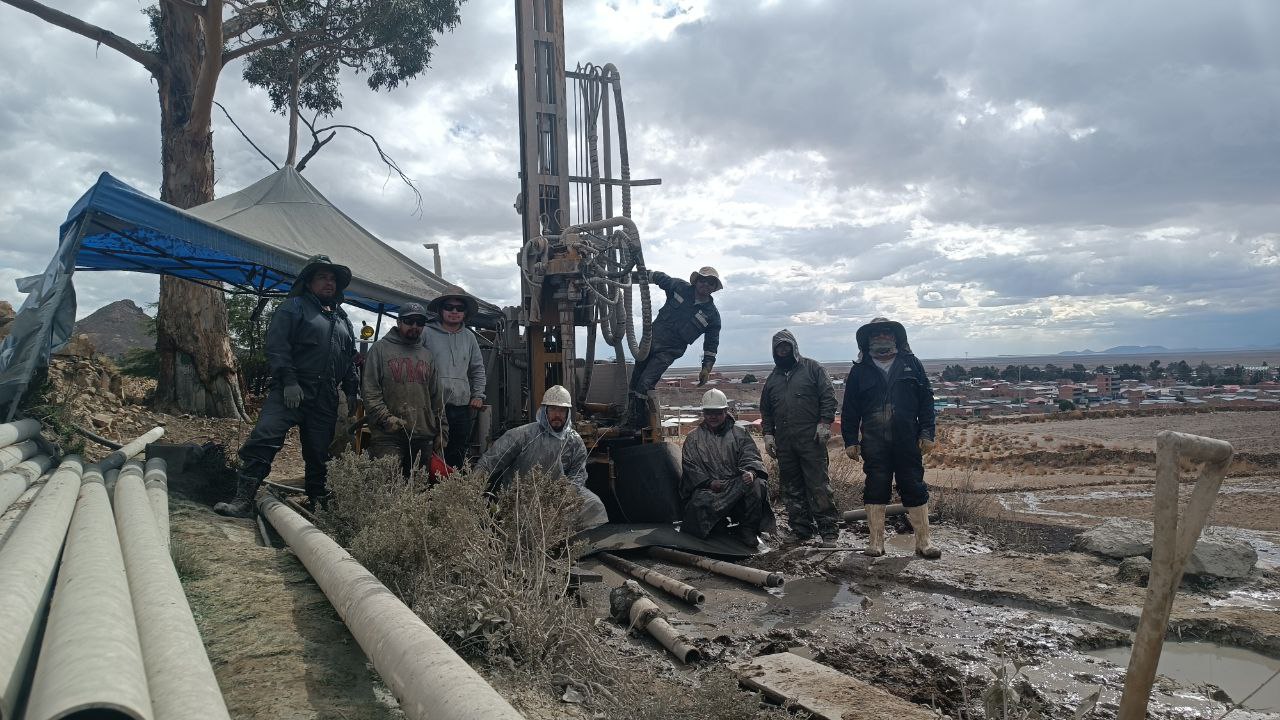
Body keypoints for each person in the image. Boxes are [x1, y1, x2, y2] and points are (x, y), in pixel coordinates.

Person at [215, 255, 358, 517]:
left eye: (332, 279)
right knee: (264, 439)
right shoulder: (293, 308)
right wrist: (290, 381)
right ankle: (243, 500)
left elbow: (349, 359)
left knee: (319, 454)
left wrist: (352, 390)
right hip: (290, 391)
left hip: (325, 396)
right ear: (308, 281)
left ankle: (319, 508)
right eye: (322, 277)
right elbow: (278, 347)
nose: (329, 283)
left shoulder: (342, 319)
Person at [841, 317, 940, 558]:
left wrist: (927, 433)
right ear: (868, 340)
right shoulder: (859, 371)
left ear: (896, 338)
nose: (882, 337)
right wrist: (851, 440)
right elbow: (850, 408)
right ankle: (876, 543)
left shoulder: (911, 364)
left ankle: (924, 542)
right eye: (877, 334)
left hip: (908, 439)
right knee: (875, 488)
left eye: (887, 333)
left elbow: (926, 401)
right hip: (874, 442)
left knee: (914, 486)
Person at [474, 385, 609, 531]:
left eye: (562, 410)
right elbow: (489, 462)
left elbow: (578, 475)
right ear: (544, 410)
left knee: (594, 504)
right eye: (552, 409)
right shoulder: (523, 435)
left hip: (555, 497)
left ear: (568, 413)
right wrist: (472, 487)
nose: (557, 414)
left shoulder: (574, 442)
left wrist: (566, 496)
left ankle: (571, 543)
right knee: (531, 524)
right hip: (521, 497)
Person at [760, 329, 840, 547]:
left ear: (794, 347)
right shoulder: (773, 379)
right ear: (774, 351)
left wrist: (824, 423)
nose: (783, 350)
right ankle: (801, 530)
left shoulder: (813, 368)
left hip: (811, 440)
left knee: (819, 487)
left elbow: (828, 397)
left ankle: (829, 532)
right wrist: (768, 434)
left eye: (786, 346)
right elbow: (766, 410)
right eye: (779, 348)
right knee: (792, 489)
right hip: (785, 444)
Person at [625, 266, 723, 428]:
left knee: (645, 383)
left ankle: (636, 424)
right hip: (650, 343)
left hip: (668, 352)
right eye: (703, 280)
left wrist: (706, 367)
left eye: (710, 283)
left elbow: (711, 344)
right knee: (635, 381)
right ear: (696, 281)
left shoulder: (712, 316)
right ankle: (629, 416)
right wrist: (631, 277)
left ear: (714, 288)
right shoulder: (680, 287)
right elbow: (659, 277)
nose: (705, 284)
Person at [680, 388, 776, 546]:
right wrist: (709, 483)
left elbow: (751, 455)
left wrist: (751, 472)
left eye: (717, 412)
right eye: (709, 412)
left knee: (757, 485)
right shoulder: (693, 438)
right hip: (709, 488)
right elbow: (690, 468)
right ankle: (717, 525)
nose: (713, 416)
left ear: (725, 411)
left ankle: (748, 529)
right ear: (703, 413)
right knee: (699, 505)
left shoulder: (739, 433)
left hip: (736, 484)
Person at [361, 302, 447, 478]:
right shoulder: (380, 349)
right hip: (388, 435)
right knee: (386, 485)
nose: (414, 326)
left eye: (419, 322)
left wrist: (442, 428)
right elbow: (370, 391)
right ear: (399, 322)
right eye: (409, 321)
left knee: (418, 488)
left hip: (423, 434)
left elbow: (436, 397)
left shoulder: (427, 355)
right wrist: (385, 418)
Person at [422, 289, 486, 469]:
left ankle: (452, 492)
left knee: (457, 452)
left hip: (461, 407)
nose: (454, 311)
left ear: (465, 312)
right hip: (432, 406)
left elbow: (478, 369)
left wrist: (478, 395)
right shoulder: (426, 333)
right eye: (449, 307)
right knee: (431, 451)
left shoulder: (469, 337)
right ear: (441, 310)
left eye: (459, 308)